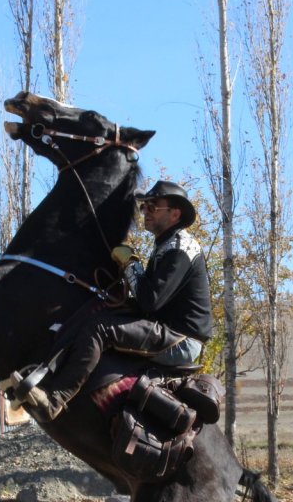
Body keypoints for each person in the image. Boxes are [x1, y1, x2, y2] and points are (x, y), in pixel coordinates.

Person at [21, 180, 212, 422]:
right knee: (99, 310)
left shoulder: (180, 249)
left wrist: (131, 263)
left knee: (99, 328)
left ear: (175, 214)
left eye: (153, 207)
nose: (145, 212)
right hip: (168, 330)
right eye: (144, 207)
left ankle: (54, 401)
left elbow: (150, 301)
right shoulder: (167, 244)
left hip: (181, 340)